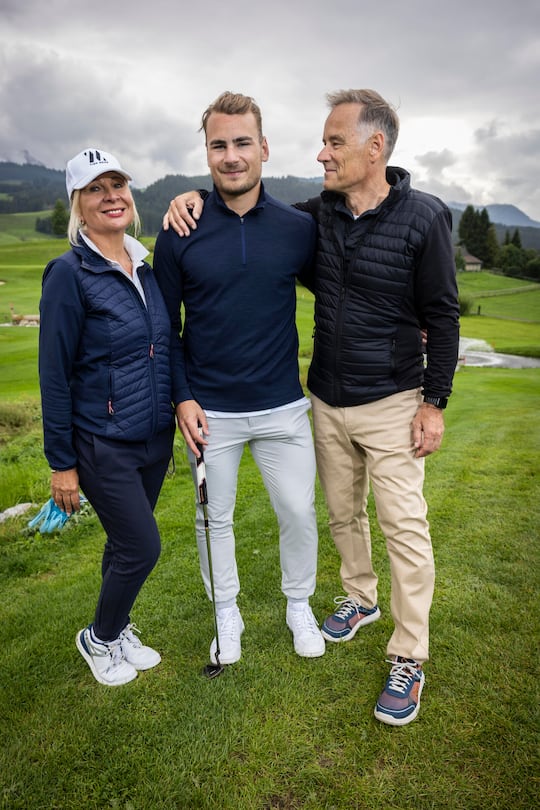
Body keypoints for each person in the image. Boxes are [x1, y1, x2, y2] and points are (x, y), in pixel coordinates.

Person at [165, 88, 460, 725]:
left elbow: (441, 310)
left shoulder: (424, 217)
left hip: (390, 399)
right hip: (324, 397)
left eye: (334, 141)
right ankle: (359, 599)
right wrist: (187, 196)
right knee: (341, 515)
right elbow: (240, 229)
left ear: (374, 147)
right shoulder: (317, 217)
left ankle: (408, 656)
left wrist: (434, 400)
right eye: (324, 140)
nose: (321, 152)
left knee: (403, 528)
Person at [153, 92, 325, 667]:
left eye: (242, 143)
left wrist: (417, 321)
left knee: (299, 514)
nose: (231, 156)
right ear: (206, 153)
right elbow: (165, 325)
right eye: (219, 145)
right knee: (212, 519)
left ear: (264, 148)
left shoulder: (299, 228)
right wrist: (182, 395)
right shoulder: (181, 229)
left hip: (283, 407)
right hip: (212, 412)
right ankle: (226, 610)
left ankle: (298, 604)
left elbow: (347, 289)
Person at [39, 148, 176, 686]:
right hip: (101, 442)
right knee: (143, 546)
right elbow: (54, 375)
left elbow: (164, 346)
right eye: (96, 189)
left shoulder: (147, 265)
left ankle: (116, 631)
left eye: (118, 185)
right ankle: (98, 637)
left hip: (152, 437)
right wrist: (61, 464)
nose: (111, 196)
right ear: (78, 204)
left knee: (123, 543)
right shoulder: (69, 274)